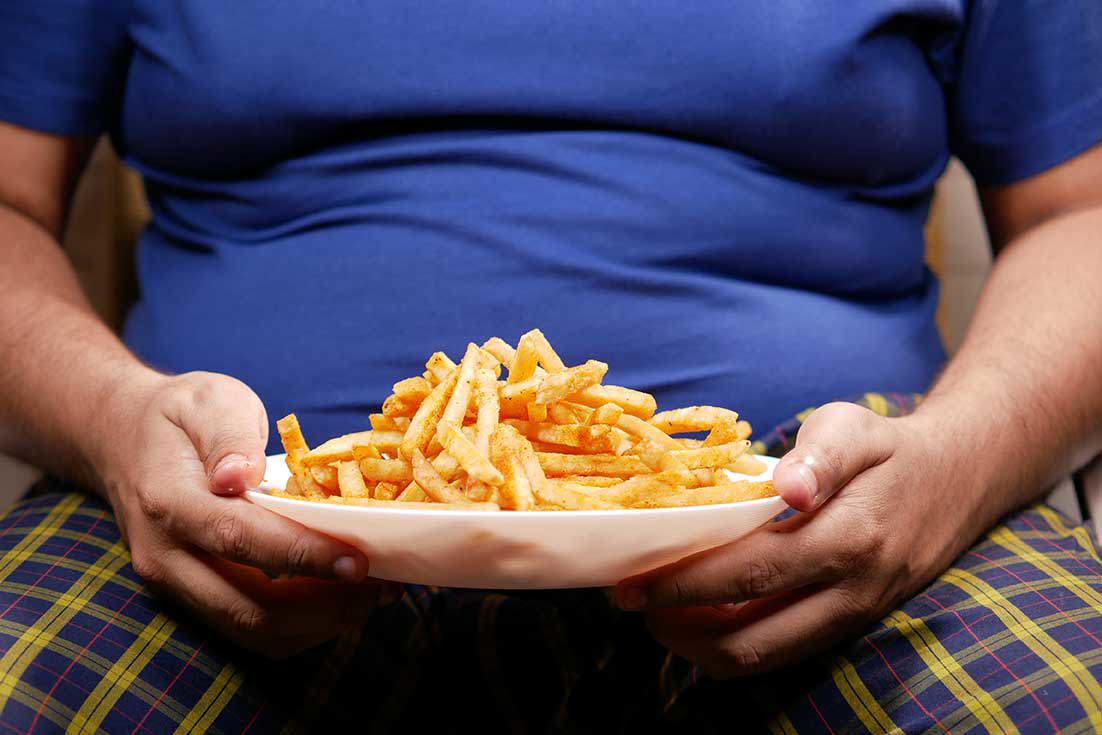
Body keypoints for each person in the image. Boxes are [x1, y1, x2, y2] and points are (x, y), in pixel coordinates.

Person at [0, 2, 1100, 732]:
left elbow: (1080, 214)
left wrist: (953, 467)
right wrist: (112, 418)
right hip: (229, 497)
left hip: (839, 502)